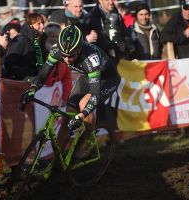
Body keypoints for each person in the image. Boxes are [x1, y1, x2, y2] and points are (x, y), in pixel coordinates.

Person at [20, 25, 120, 158]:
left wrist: (82, 115)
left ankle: (90, 138)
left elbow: (94, 94)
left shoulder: (91, 58)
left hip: (106, 79)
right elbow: (42, 75)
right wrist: (32, 90)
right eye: (64, 55)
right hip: (87, 77)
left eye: (71, 56)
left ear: (78, 50)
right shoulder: (57, 50)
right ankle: (56, 159)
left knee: (84, 105)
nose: (66, 60)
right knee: (67, 117)